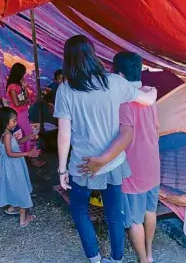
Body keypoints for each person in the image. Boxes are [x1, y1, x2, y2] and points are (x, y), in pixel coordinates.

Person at [54, 35, 157, 263]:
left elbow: (64, 134)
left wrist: (62, 170)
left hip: (82, 164)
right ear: (93, 54)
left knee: (80, 211)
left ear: (67, 59)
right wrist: (154, 91)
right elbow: (147, 100)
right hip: (113, 162)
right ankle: (117, 258)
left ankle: (95, 258)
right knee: (114, 214)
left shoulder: (65, 90)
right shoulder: (114, 82)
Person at [81, 52, 160, 263]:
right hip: (153, 164)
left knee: (134, 220)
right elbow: (156, 129)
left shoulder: (124, 102)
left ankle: (142, 259)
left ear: (120, 75)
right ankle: (150, 255)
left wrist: (103, 159)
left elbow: (126, 135)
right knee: (150, 211)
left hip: (133, 168)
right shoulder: (150, 96)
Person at [0, 107, 41, 227]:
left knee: (12, 186)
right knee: (21, 188)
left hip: (10, 166)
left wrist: (29, 136)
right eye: (14, 120)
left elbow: (17, 143)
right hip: (13, 165)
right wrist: (28, 153)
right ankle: (23, 220)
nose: (16, 123)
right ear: (5, 121)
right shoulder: (7, 136)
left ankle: (12, 208)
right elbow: (10, 153)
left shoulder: (5, 134)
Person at [6, 63, 45, 167]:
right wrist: (26, 100)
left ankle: (25, 158)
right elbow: (17, 103)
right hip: (18, 114)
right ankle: (32, 157)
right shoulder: (12, 86)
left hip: (23, 112)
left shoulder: (19, 84)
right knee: (29, 134)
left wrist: (25, 87)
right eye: (23, 72)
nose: (24, 74)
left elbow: (25, 98)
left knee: (25, 135)